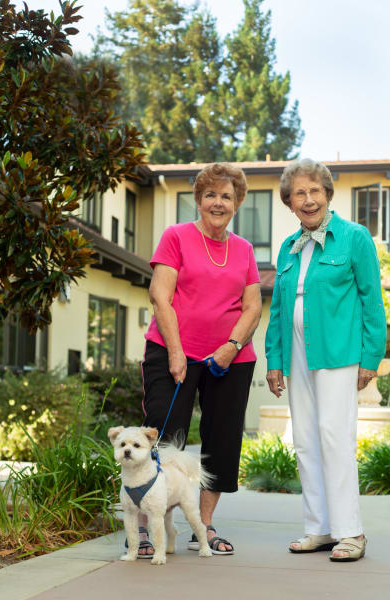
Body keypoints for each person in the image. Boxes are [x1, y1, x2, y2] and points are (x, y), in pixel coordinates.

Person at [136, 162, 262, 557]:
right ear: (198, 199)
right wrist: (176, 351)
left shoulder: (243, 250)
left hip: (231, 358)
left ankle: (203, 526)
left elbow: (253, 306)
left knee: (222, 442)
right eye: (210, 195)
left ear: (238, 202)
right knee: (161, 435)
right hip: (174, 351)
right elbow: (161, 295)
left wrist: (232, 345)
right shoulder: (176, 236)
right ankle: (147, 530)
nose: (218, 203)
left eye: (227, 196)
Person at [265, 158, 387, 562]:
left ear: (328, 195)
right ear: (289, 202)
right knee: (305, 440)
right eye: (299, 193)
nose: (308, 199)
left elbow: (373, 300)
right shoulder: (287, 247)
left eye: (315, 190)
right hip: (297, 349)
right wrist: (274, 360)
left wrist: (372, 356)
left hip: (337, 350)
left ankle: (350, 532)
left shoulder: (354, 238)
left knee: (334, 435)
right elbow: (280, 310)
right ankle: (319, 528)